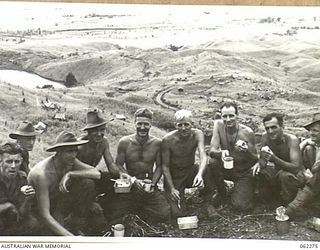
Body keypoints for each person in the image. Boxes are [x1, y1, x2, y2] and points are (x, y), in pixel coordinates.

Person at [28, 131, 105, 236]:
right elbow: (44, 214)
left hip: (59, 202)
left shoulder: (70, 161)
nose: (73, 155)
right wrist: (71, 238)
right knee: (56, 234)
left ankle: (75, 223)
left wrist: (70, 174)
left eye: (75, 151)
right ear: (58, 152)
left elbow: (96, 174)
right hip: (39, 211)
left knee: (87, 183)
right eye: (69, 151)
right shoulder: (42, 174)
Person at [110, 108, 170, 223]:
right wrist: (130, 179)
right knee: (116, 216)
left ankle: (142, 207)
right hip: (129, 185)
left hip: (148, 184)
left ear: (151, 124)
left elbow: (159, 166)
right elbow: (118, 164)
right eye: (139, 124)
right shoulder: (125, 142)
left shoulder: (157, 143)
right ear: (134, 123)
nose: (142, 127)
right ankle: (136, 207)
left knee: (164, 214)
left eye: (146, 124)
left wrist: (153, 184)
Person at [162, 109, 216, 218]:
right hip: (175, 176)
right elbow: (165, 166)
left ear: (192, 124)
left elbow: (203, 155)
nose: (183, 128)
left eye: (186, 124)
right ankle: (174, 198)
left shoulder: (197, 134)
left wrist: (200, 175)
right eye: (180, 125)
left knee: (207, 168)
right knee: (178, 214)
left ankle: (208, 202)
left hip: (189, 171)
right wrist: (172, 188)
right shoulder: (168, 140)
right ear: (175, 125)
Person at [208, 101, 258, 211]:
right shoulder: (218, 125)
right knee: (212, 162)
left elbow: (255, 158)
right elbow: (211, 151)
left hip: (242, 172)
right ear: (221, 116)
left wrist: (246, 151)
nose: (228, 119)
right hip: (227, 168)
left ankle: (248, 190)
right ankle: (222, 192)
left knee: (239, 205)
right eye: (224, 116)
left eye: (231, 116)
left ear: (237, 115)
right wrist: (221, 153)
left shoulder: (247, 132)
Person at [77, 110, 121, 217]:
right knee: (88, 183)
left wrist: (121, 177)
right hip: (78, 180)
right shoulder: (80, 146)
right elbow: (72, 172)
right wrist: (90, 200)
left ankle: (107, 206)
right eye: (95, 131)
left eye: (102, 130)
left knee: (111, 178)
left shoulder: (104, 142)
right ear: (88, 131)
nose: (99, 134)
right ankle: (85, 209)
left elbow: (110, 164)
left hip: (93, 175)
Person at [253, 112, 303, 206]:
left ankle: (288, 204)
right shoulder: (265, 137)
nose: (270, 131)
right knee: (260, 172)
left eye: (274, 127)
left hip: (294, 175)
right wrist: (259, 165)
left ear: (281, 126)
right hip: (277, 171)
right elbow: (263, 162)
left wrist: (275, 159)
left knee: (284, 175)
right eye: (267, 128)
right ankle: (269, 199)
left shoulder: (292, 140)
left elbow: (296, 167)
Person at [285, 113, 320, 217]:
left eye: (315, 131)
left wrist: (312, 176)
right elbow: (295, 155)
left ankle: (294, 206)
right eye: (310, 130)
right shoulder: (313, 145)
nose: (311, 133)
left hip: (315, 182)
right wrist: (305, 142)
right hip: (314, 184)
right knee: (307, 151)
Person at [0, 142, 38, 235]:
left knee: (33, 223)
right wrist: (7, 206)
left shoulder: (22, 178)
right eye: (8, 161)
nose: (13, 166)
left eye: (16, 162)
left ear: (21, 161)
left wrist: (28, 199)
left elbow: (22, 213)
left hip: (11, 219)